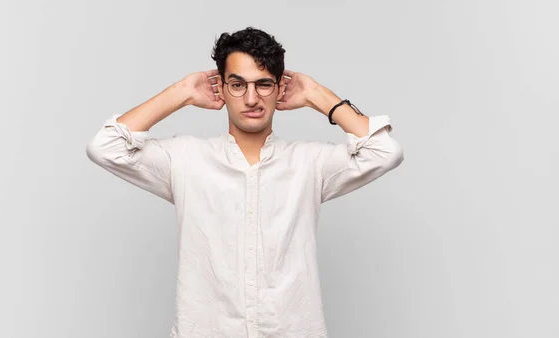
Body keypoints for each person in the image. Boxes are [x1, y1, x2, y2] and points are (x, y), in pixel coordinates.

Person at [86, 26, 404, 338]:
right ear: (221, 88)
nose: (251, 99)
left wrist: (319, 96)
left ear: (280, 89)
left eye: (264, 85)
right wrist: (181, 92)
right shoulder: (184, 159)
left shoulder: (310, 163)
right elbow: (105, 147)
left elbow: (385, 152)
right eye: (237, 85)